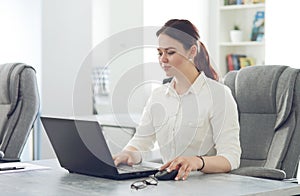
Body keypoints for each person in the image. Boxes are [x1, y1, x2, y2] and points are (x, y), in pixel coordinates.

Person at [113, 19, 241, 181]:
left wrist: (197, 162)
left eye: (170, 52)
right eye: (160, 53)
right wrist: (128, 153)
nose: (163, 59)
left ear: (192, 52)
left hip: (206, 185)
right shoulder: (158, 96)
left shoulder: (219, 95)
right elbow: (141, 142)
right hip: (168, 185)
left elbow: (231, 157)